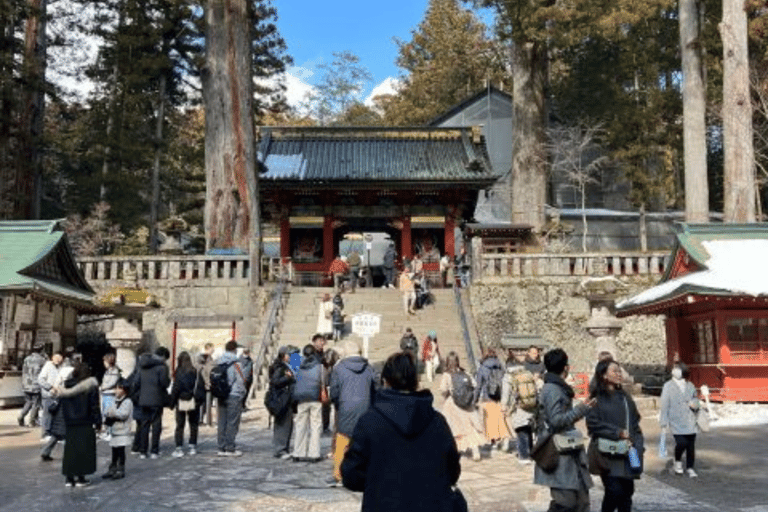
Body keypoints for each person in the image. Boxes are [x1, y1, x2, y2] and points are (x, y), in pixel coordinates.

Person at [341, 352, 461, 511]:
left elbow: (351, 476)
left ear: (385, 381)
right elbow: (452, 472)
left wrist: (379, 480)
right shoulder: (437, 422)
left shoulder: (369, 422)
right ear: (417, 381)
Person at [534, 348, 595, 512]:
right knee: (566, 502)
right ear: (566, 367)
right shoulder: (553, 389)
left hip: (570, 450)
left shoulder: (557, 387)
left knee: (581, 501)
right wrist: (581, 410)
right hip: (559, 453)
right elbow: (556, 420)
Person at [586, 359, 644, 512]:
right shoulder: (596, 398)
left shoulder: (625, 397)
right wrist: (616, 432)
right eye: (614, 371)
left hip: (627, 451)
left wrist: (637, 441)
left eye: (619, 371)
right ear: (604, 375)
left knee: (627, 493)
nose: (618, 374)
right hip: (607, 453)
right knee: (614, 491)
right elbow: (592, 424)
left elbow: (635, 420)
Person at [328, 340, 376, 487]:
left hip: (345, 409)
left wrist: (337, 404)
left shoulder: (339, 368)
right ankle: (366, 473)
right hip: (366, 410)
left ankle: (338, 475)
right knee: (365, 444)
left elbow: (334, 391)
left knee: (342, 442)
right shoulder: (369, 368)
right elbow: (375, 389)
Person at [54, 361, 101, 488]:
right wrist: (98, 422)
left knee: (70, 450)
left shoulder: (66, 386)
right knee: (84, 450)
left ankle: (69, 478)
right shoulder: (91, 386)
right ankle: (81, 478)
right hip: (85, 421)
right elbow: (94, 405)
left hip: (70, 422)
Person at [439, 351, 485, 461]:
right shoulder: (465, 373)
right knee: (470, 428)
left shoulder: (447, 375)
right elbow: (474, 384)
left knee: (454, 428)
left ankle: (456, 451)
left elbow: (443, 390)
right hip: (467, 404)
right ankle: (475, 451)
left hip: (453, 403)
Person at [659, 362, 700, 478]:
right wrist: (663, 422)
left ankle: (690, 467)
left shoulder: (690, 385)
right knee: (681, 443)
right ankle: (677, 462)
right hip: (675, 420)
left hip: (690, 419)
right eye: (674, 368)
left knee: (691, 445)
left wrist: (695, 404)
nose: (674, 370)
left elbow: (696, 399)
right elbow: (664, 404)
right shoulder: (668, 385)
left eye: (677, 368)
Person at [501, 351, 537, 463]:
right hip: (531, 404)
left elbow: (506, 392)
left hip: (518, 405)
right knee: (528, 429)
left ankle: (524, 456)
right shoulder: (527, 373)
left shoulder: (509, 376)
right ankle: (531, 453)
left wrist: (504, 405)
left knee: (520, 430)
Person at [134, 346, 170, 459]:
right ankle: (154, 450)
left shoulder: (142, 365)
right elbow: (164, 383)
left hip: (144, 400)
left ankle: (143, 451)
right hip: (157, 400)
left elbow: (136, 382)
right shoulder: (162, 367)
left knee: (144, 425)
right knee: (156, 425)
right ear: (163, 356)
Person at [216, 340, 250, 456]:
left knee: (222, 422)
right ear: (234, 349)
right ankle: (230, 447)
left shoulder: (219, 362)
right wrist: (242, 394)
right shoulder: (236, 364)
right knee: (232, 422)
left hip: (221, 395)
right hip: (234, 395)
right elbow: (240, 381)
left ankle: (221, 447)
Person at [292, 344, 324, 462]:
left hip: (301, 397)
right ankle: (314, 453)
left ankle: (297, 452)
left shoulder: (297, 365)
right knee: (315, 426)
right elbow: (324, 381)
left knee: (300, 425)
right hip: (315, 397)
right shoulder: (319, 366)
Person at [474, 347, 511, 450]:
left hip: (488, 396)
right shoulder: (500, 365)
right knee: (500, 419)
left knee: (490, 420)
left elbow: (478, 385)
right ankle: (504, 438)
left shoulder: (483, 367)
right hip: (499, 395)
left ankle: (494, 441)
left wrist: (475, 399)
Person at [170, 351, 205, 457]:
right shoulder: (195, 371)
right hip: (193, 401)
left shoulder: (179, 372)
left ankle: (179, 448)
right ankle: (192, 446)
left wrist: (172, 402)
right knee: (193, 425)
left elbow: (176, 388)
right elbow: (200, 386)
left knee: (180, 425)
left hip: (181, 401)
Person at [102, 379, 133, 480]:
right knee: (114, 451)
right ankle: (113, 468)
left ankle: (120, 469)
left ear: (124, 390)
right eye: (116, 388)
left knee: (120, 451)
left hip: (122, 430)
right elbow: (107, 410)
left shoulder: (127, 401)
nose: (116, 390)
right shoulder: (114, 400)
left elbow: (123, 414)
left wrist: (113, 413)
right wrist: (111, 413)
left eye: (119, 388)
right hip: (114, 430)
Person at [268, 346, 296, 459]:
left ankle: (283, 448)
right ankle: (280, 449)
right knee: (283, 424)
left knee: (286, 424)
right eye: (289, 355)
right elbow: (275, 381)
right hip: (282, 399)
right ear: (283, 356)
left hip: (284, 399)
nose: (290, 357)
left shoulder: (282, 366)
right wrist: (287, 378)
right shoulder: (280, 367)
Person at [18, 343, 46, 427]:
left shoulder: (27, 359)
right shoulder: (42, 360)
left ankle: (21, 416)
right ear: (41, 350)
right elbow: (44, 373)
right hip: (36, 384)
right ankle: (31, 421)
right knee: (36, 403)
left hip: (26, 383)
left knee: (28, 402)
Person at [38, 352, 64, 440]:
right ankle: (45, 433)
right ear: (52, 358)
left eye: (60, 358)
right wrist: (50, 387)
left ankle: (53, 433)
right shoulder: (48, 366)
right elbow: (40, 379)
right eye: (57, 358)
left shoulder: (60, 367)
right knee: (47, 414)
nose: (58, 360)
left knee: (55, 415)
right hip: (48, 395)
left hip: (57, 395)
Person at [100, 352, 121, 440]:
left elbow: (112, 382)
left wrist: (102, 387)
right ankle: (108, 431)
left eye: (105, 361)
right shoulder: (108, 371)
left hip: (110, 394)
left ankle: (112, 433)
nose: (104, 363)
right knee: (105, 413)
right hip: (105, 394)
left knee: (110, 414)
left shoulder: (115, 371)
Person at [199, 343, 215, 425]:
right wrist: (206, 381)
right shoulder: (203, 358)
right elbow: (204, 371)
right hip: (203, 384)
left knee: (206, 403)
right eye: (212, 348)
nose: (213, 350)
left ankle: (202, 418)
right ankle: (200, 419)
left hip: (207, 383)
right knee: (203, 403)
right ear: (208, 348)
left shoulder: (209, 358)